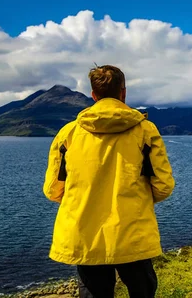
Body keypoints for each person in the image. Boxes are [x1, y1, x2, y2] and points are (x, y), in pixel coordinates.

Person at [43, 65, 175, 298]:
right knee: (142, 290)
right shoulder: (145, 130)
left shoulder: (68, 134)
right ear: (123, 93)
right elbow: (163, 186)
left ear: (93, 95)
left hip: (85, 233)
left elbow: (53, 190)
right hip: (132, 231)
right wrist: (136, 199)